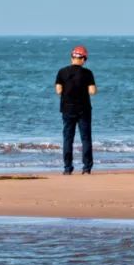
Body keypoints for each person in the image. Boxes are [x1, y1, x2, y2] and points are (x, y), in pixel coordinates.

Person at [55, 45, 97, 174]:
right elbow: (92, 92)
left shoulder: (62, 72)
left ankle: (68, 168)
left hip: (67, 109)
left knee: (68, 138)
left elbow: (58, 91)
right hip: (84, 109)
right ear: (84, 59)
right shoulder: (88, 73)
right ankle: (87, 168)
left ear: (72, 57)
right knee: (86, 138)